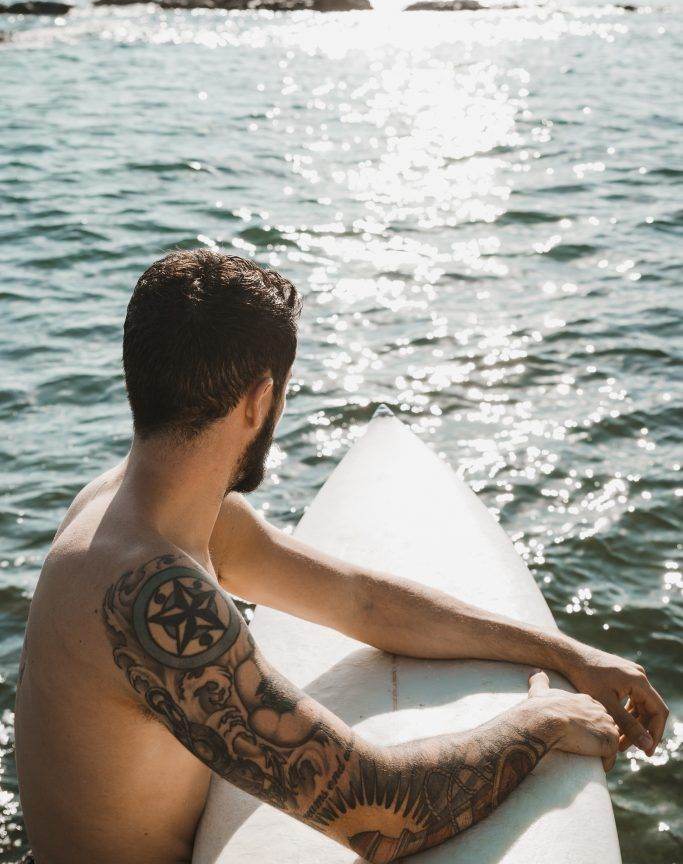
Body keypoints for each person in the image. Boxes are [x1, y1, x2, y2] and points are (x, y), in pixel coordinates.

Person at [14, 249, 668, 864]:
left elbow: (358, 599)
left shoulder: (128, 506)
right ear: (259, 399)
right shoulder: (153, 592)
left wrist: (565, 655)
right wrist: (540, 719)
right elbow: (381, 815)